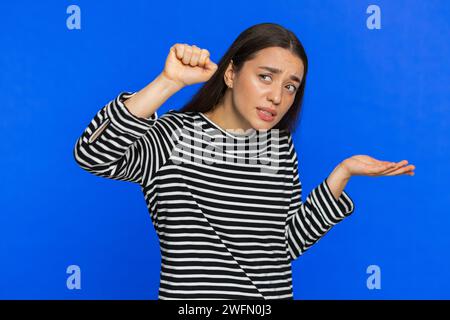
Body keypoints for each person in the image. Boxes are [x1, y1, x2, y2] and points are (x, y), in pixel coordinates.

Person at [73, 23, 415, 300]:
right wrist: (169, 82)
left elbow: (281, 246)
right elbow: (93, 154)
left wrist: (340, 176)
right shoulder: (174, 136)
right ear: (231, 74)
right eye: (265, 77)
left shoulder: (278, 149)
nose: (278, 97)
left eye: (291, 86)